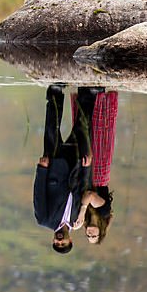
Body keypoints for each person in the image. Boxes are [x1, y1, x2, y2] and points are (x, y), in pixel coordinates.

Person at [33, 84, 97, 253]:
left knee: (52, 129)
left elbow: (39, 194)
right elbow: (83, 191)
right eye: (63, 244)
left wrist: (42, 169)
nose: (59, 241)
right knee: (83, 129)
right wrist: (86, 168)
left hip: (53, 166)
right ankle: (88, 93)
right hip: (75, 168)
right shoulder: (77, 220)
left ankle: (55, 91)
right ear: (70, 241)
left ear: (53, 240)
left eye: (56, 243)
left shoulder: (44, 220)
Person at [71, 87, 118, 245]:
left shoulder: (86, 217)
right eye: (94, 236)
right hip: (97, 174)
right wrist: (82, 212)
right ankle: (98, 95)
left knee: (83, 137)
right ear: (101, 231)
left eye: (88, 236)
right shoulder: (103, 212)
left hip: (86, 174)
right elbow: (90, 196)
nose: (90, 234)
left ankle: (85, 95)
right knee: (97, 134)